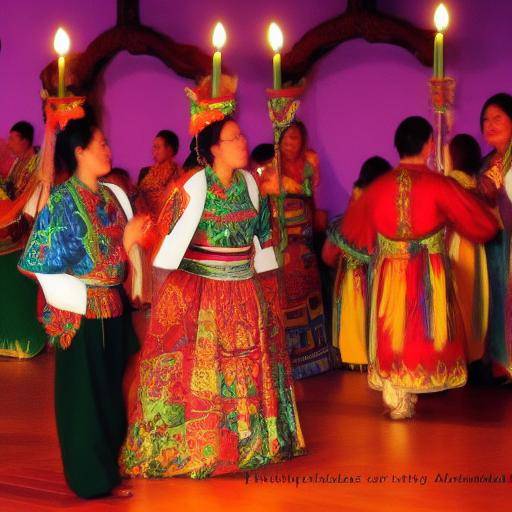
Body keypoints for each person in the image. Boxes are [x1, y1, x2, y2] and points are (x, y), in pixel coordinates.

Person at [120, 77, 305, 478]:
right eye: (235, 138)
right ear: (214, 148)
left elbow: (264, 241)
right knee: (202, 370)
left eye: (241, 137)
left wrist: (272, 288)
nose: (243, 142)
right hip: (201, 290)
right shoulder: (194, 185)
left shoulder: (251, 185)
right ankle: (201, 444)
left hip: (244, 289)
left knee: (243, 369)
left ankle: (249, 443)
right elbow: (165, 240)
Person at [336, 116, 498, 419]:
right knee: (422, 330)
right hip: (428, 271)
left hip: (389, 272)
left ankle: (396, 392)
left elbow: (351, 230)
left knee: (392, 329)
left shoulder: (378, 188)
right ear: (427, 145)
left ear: (398, 146)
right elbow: (479, 222)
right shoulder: (440, 185)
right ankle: (415, 384)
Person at [18, 117, 138, 498]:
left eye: (106, 143)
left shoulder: (112, 196)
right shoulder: (62, 202)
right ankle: (90, 480)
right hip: (81, 313)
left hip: (114, 310)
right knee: (84, 399)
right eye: (100, 144)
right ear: (80, 151)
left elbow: (124, 253)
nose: (108, 149)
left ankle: (110, 469)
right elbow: (37, 263)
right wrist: (124, 246)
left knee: (109, 395)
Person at [259, 120, 331, 379]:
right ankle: (287, 360)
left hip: (304, 238)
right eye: (286, 139)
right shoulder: (269, 170)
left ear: (302, 141)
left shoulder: (309, 166)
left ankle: (314, 358)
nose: (290, 144)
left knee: (308, 292)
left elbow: (310, 196)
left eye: (295, 139)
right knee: (284, 297)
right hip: (282, 239)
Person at [322, 156, 392, 369]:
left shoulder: (356, 199)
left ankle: (356, 359)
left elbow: (328, 254)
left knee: (354, 312)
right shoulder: (383, 198)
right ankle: (374, 358)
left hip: (350, 271)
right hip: (375, 269)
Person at [0, 121, 46, 358]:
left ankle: (38, 329)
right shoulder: (17, 165)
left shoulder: (38, 164)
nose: (9, 143)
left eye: (13, 138)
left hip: (31, 227)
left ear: (26, 140)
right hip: (14, 226)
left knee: (33, 279)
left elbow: (32, 197)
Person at [445, 134, 489, 367]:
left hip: (458, 243)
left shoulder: (452, 182)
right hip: (477, 245)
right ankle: (476, 354)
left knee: (458, 298)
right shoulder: (477, 182)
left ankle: (460, 356)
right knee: (477, 298)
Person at [476, 93, 512, 382]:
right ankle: (500, 360)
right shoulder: (488, 163)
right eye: (486, 119)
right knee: (496, 296)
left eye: (498, 118)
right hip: (496, 244)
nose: (490, 124)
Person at [135, 130, 182, 221]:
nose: (154, 151)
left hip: (165, 220)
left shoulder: (178, 173)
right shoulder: (146, 172)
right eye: (153, 147)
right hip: (143, 218)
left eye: (157, 147)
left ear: (170, 149)